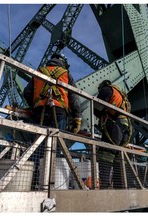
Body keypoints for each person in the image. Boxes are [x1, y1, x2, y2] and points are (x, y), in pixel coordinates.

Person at [23, 53, 82, 189]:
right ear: (63, 62)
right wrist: (77, 118)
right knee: (56, 146)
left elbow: (27, 92)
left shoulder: (40, 71)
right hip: (59, 111)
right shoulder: (66, 73)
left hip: (39, 111)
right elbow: (73, 98)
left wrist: (35, 105)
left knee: (37, 144)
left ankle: (33, 182)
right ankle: (52, 184)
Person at [94, 80, 132, 189]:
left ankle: (105, 188)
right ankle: (119, 187)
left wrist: (101, 114)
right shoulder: (121, 95)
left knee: (106, 155)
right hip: (125, 127)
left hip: (115, 126)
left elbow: (96, 107)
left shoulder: (106, 90)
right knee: (117, 158)